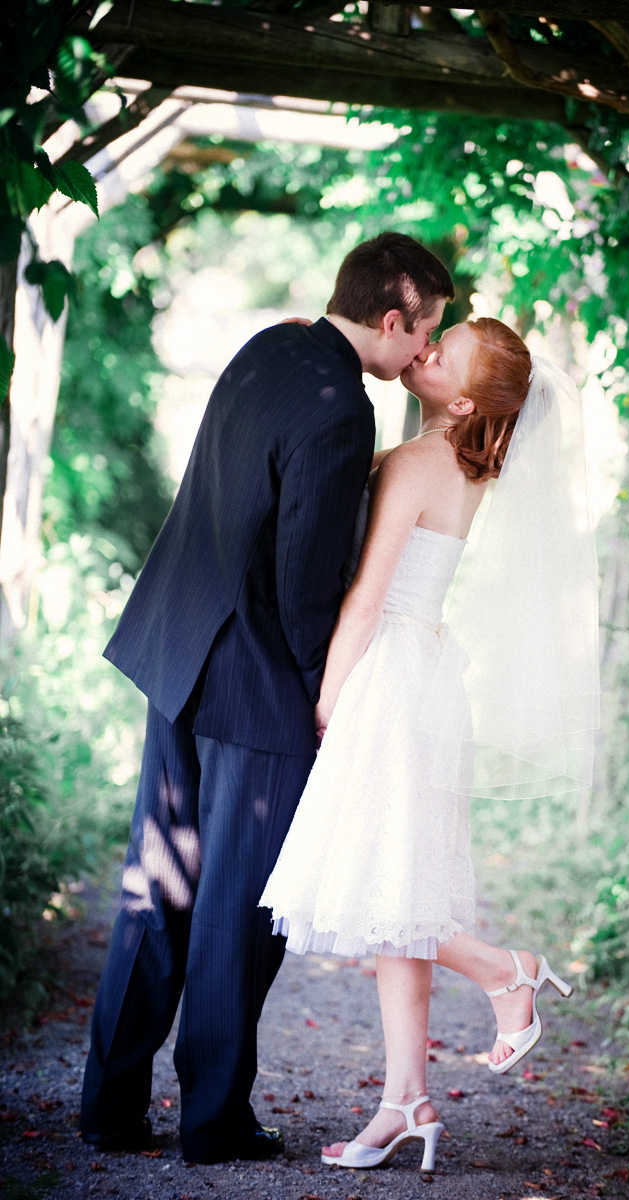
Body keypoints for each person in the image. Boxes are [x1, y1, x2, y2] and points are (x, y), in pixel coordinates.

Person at [79, 233, 454, 1165]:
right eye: (424, 335)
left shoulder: (268, 346)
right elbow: (303, 582)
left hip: (180, 652)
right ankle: (213, 1122)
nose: (419, 358)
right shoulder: (343, 411)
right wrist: (323, 690)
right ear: (393, 318)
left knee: (155, 889)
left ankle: (109, 1110)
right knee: (238, 913)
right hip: (254, 681)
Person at [260, 316, 599, 1172]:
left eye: (445, 354)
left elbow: (366, 599)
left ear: (466, 398)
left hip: (385, 678)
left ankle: (503, 968)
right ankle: (404, 1101)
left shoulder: (415, 462)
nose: (427, 352)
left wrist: (328, 699)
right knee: (392, 904)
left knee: (380, 889)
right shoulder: (457, 468)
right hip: (425, 679)